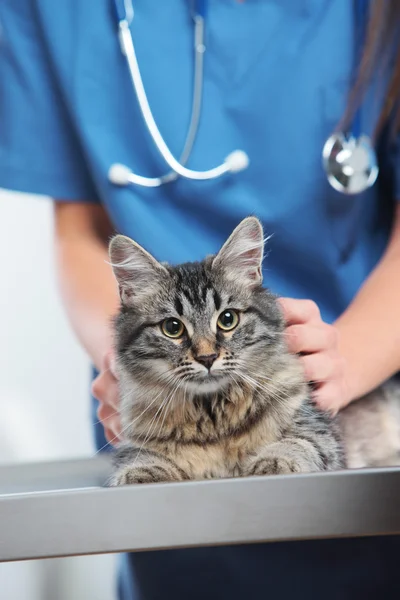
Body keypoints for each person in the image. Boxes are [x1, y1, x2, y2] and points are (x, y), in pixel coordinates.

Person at [1, 0, 400, 598]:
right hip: (167, 454)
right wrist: (125, 371)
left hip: (359, 437)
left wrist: (338, 365)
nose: (209, 349)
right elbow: (81, 232)